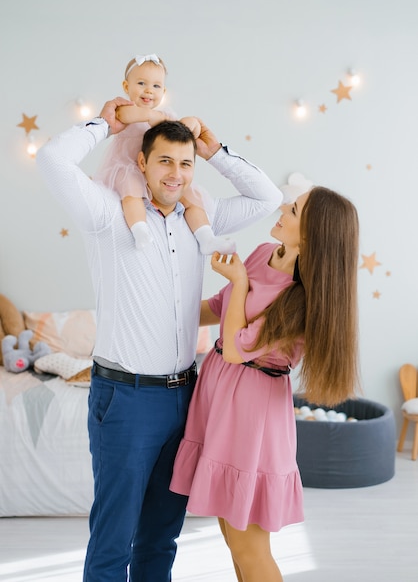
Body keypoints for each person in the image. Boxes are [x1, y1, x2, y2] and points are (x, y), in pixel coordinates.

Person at [36, 96, 283, 582]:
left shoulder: (202, 220)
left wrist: (214, 151)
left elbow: (267, 198)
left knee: (162, 536)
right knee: (114, 539)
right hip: (124, 397)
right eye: (165, 160)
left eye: (185, 163)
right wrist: (103, 125)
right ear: (142, 163)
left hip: (185, 398)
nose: (176, 173)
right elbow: (52, 160)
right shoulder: (108, 215)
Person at [170, 186, 360, 582]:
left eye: (292, 209)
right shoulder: (262, 254)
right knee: (230, 535)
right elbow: (220, 310)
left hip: (252, 414)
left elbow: (240, 348)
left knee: (248, 547)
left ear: (310, 234)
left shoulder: (303, 299)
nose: (281, 209)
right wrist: (165, 313)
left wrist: (240, 283)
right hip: (221, 396)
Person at [95, 53, 235, 254]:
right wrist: (150, 115)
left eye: (156, 86)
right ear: (126, 87)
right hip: (129, 168)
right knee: (132, 193)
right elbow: (125, 116)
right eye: (141, 83)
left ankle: (206, 237)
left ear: (164, 90)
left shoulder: (166, 114)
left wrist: (191, 123)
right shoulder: (126, 110)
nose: (148, 91)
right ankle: (139, 229)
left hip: (159, 174)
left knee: (190, 198)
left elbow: (183, 131)